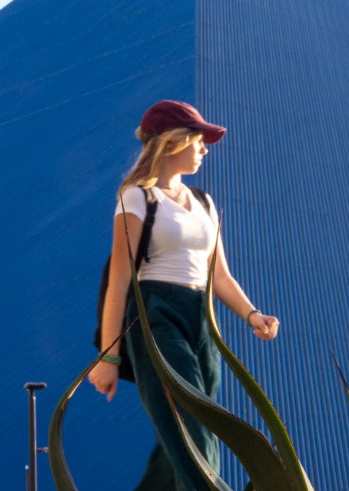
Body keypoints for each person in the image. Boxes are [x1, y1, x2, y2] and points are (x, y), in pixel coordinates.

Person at [90, 100, 280, 491]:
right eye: (199, 140)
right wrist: (109, 357)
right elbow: (120, 280)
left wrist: (253, 314)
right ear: (174, 142)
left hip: (203, 320)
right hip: (156, 316)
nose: (205, 149)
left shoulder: (204, 202)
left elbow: (220, 275)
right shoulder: (137, 198)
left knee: (186, 435)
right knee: (192, 429)